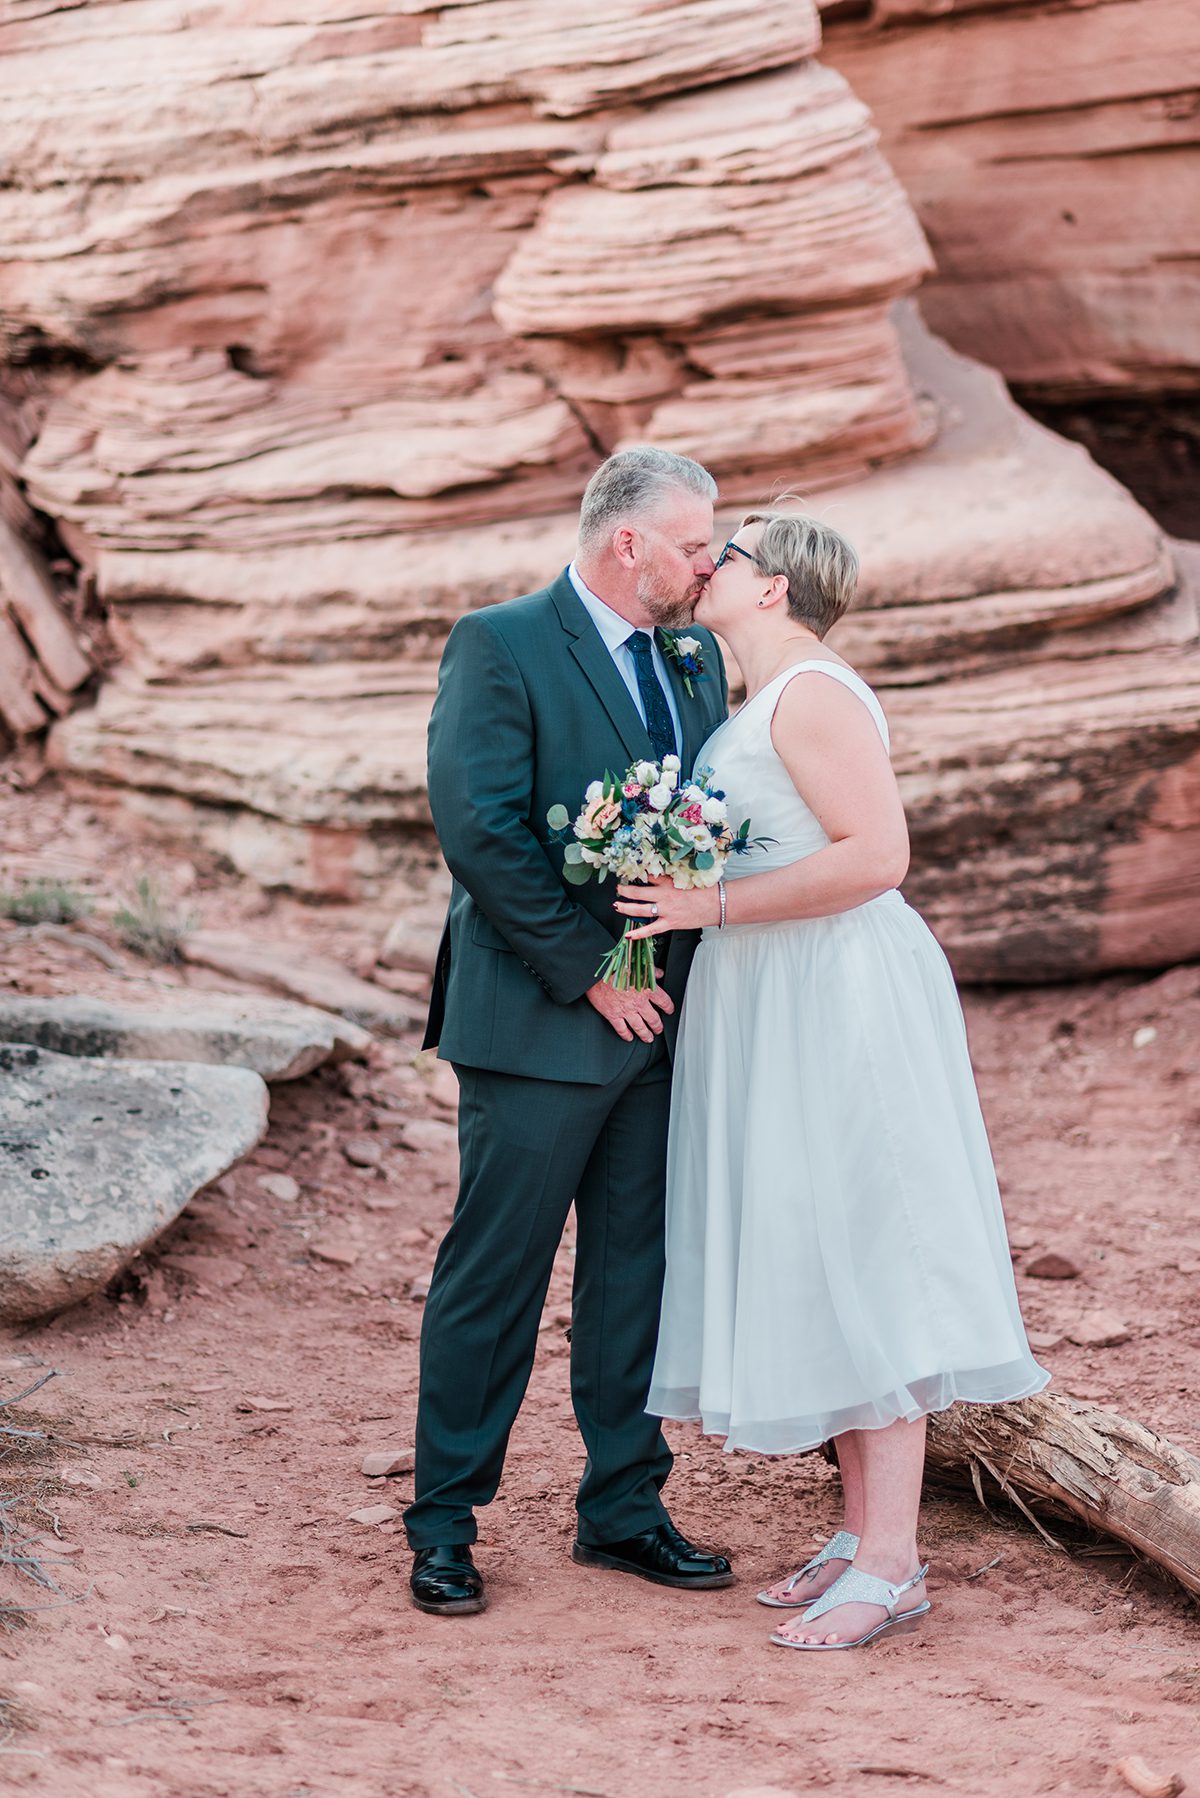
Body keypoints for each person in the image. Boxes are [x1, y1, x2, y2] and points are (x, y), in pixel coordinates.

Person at [615, 509, 1048, 1651]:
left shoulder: (813, 694)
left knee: (866, 1246)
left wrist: (708, 902)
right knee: (812, 1243)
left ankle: (897, 1562)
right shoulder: (757, 699)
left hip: (836, 990)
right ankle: (860, 1535)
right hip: (766, 991)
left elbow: (877, 857)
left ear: (776, 590)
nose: (712, 562)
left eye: (734, 552)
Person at [405, 447, 733, 1615]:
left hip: (665, 1023)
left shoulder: (694, 656)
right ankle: (444, 1520)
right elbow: (480, 828)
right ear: (626, 542)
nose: (713, 563)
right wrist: (597, 971)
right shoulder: (499, 642)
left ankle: (624, 1508)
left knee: (634, 1272)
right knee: (494, 1275)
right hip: (538, 1020)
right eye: (697, 543)